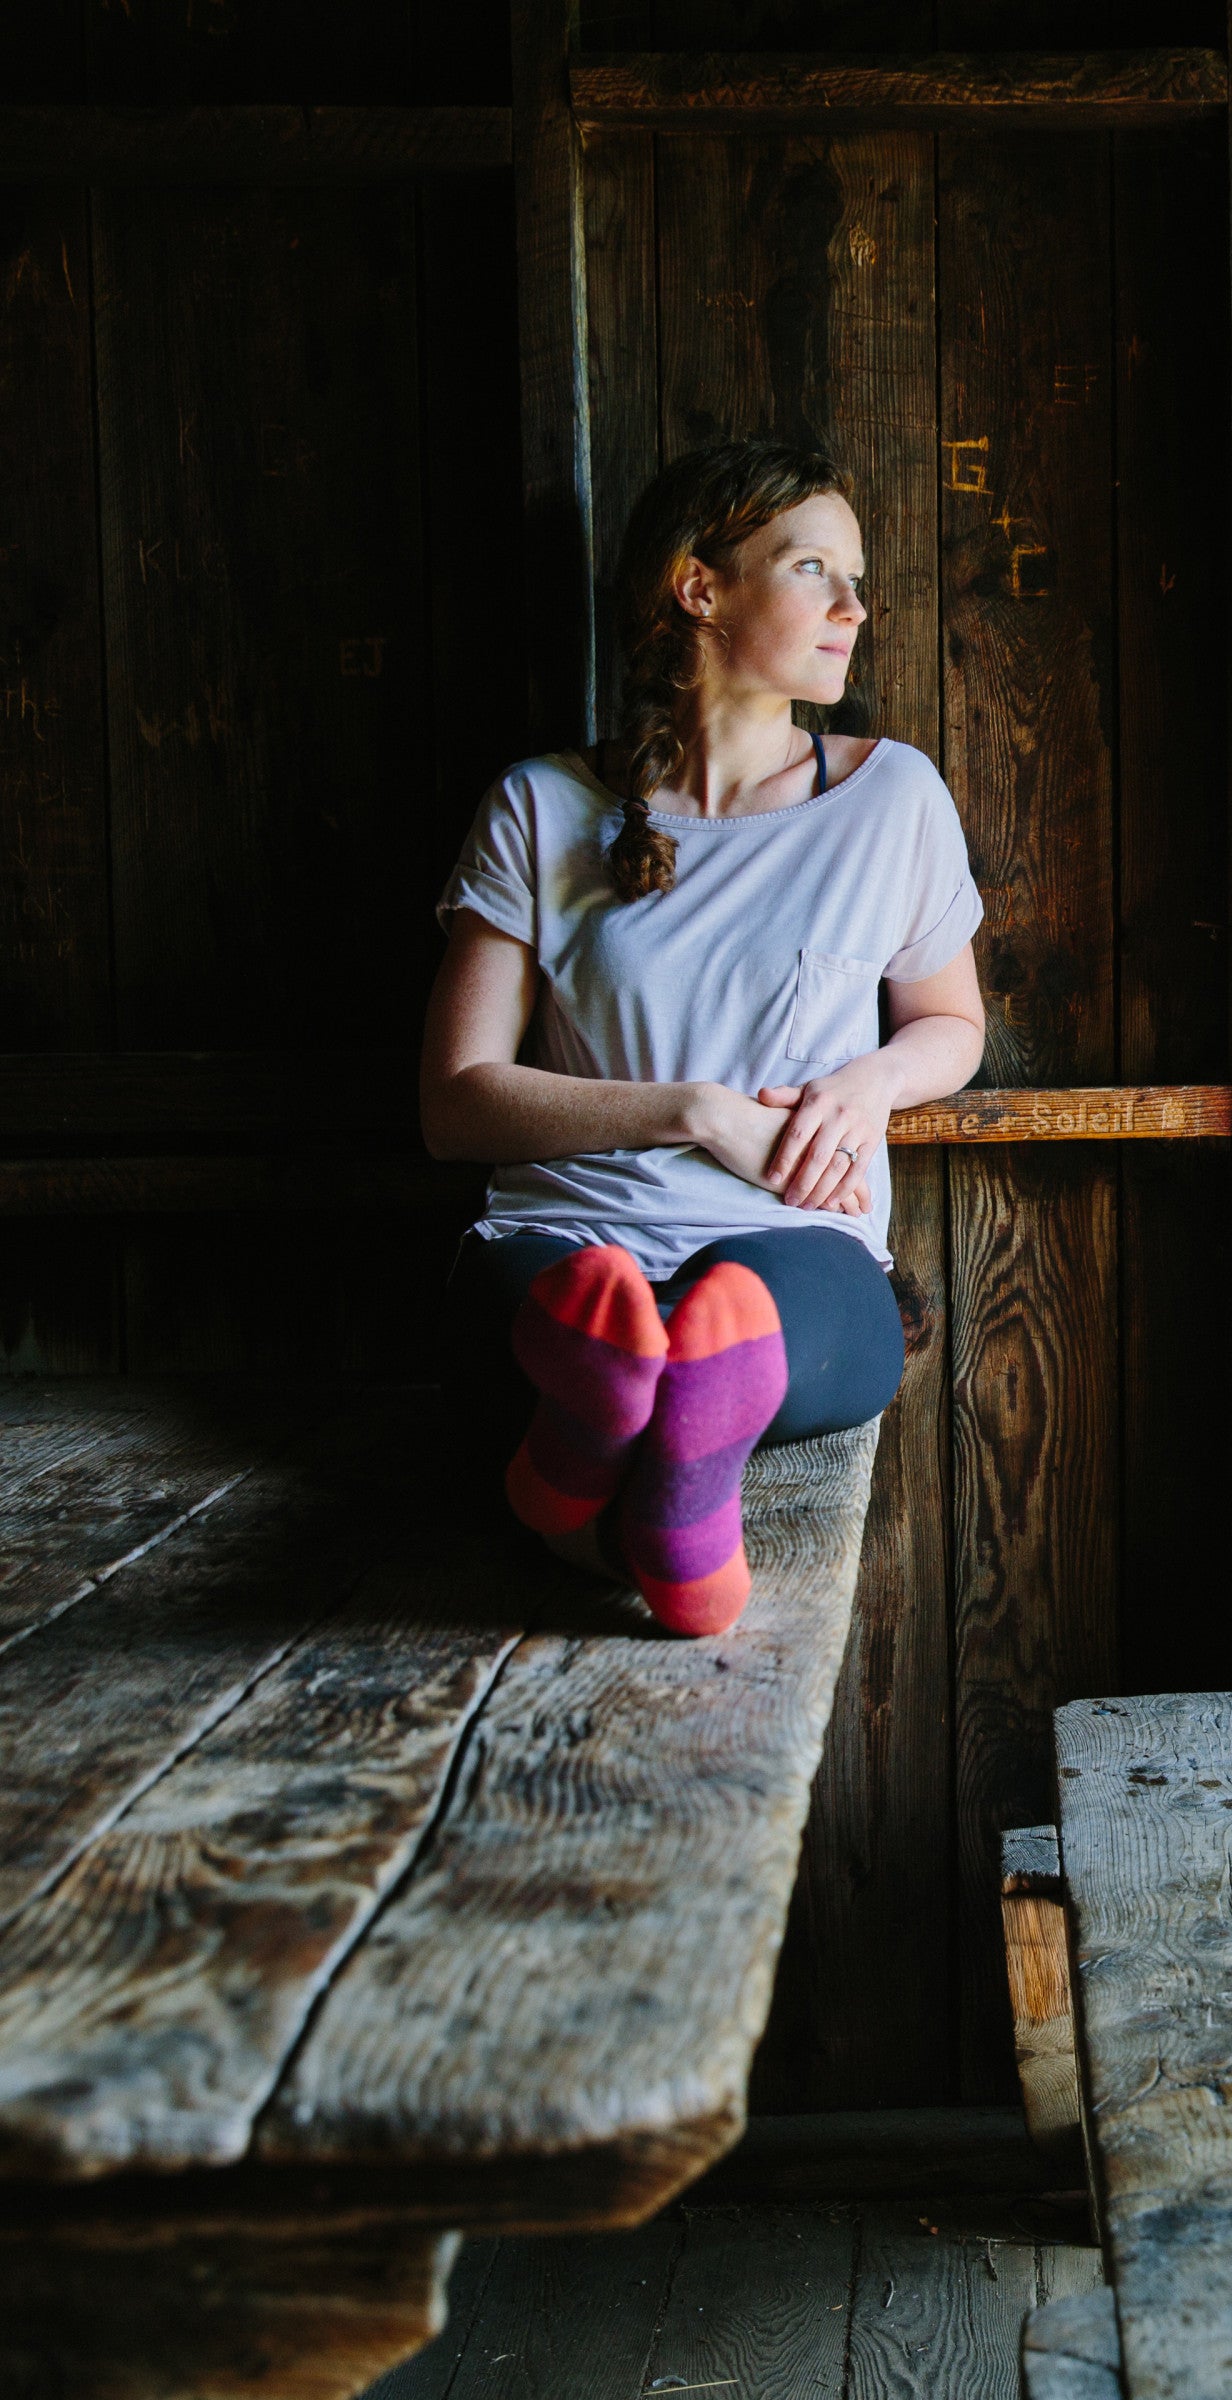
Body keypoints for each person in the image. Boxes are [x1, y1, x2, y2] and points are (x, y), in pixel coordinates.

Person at [421, 439, 985, 1637]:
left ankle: (596, 1476)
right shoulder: (542, 805)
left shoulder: (892, 800)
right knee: (596, 1312)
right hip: (561, 1241)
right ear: (701, 587)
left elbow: (952, 1024)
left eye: (857, 577)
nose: (854, 606)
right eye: (814, 569)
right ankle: (640, 1441)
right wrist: (693, 1111)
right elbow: (455, 1100)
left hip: (797, 1241)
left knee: (736, 1323)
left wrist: (870, 1083)